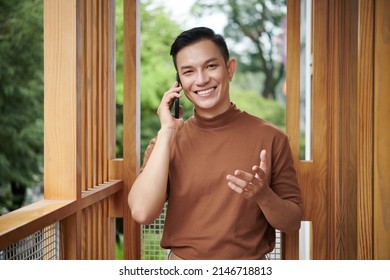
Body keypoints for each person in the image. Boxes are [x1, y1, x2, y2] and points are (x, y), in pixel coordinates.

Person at [128, 27, 303, 260]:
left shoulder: (271, 138)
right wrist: (167, 131)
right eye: (188, 72)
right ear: (179, 82)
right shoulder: (166, 141)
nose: (201, 80)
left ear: (230, 69)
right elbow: (141, 212)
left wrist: (264, 196)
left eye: (211, 66)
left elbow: (292, 223)